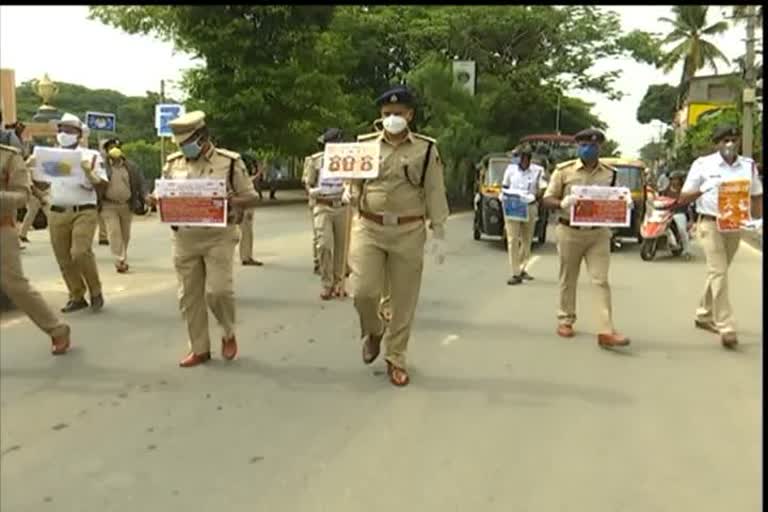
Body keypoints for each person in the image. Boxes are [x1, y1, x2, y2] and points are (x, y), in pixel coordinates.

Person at [344, 85, 449, 387]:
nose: (392, 118)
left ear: (410, 115)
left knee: (403, 300)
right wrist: (349, 193)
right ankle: (375, 330)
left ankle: (396, 357)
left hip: (409, 230)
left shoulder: (426, 149)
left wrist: (438, 230)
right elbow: (355, 185)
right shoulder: (364, 146)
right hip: (369, 226)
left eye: (398, 114)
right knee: (363, 292)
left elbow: (434, 189)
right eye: (387, 114)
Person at [150, 111, 259, 367]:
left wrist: (226, 200)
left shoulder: (229, 162)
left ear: (203, 137)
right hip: (184, 237)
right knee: (189, 296)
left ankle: (228, 331)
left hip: (218, 237)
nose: (184, 148)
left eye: (188, 142)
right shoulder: (173, 163)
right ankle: (199, 348)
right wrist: (155, 199)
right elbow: (159, 192)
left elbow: (252, 196)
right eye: (180, 144)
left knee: (218, 291)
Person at [675, 124, 763, 349]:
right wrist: (705, 188)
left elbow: (756, 195)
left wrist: (757, 219)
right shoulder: (703, 164)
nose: (730, 144)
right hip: (710, 223)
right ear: (717, 144)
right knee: (719, 272)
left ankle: (704, 314)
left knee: (719, 272)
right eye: (725, 140)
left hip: (734, 224)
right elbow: (684, 198)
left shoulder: (748, 166)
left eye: (733, 139)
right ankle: (726, 324)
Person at [542, 128, 631, 348]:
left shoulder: (610, 173)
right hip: (569, 230)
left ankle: (605, 329)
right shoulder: (563, 171)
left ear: (600, 147)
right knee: (568, 277)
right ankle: (565, 319)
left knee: (600, 280)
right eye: (584, 145)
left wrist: (624, 203)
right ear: (577, 146)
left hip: (598, 233)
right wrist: (562, 203)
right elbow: (547, 198)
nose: (588, 148)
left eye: (593, 145)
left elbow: (613, 197)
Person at [28, 113, 107, 313]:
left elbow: (103, 185)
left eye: (69, 130)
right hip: (57, 210)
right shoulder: (49, 156)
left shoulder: (90, 155)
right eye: (61, 130)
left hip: (84, 210)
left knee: (80, 252)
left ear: (79, 134)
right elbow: (41, 183)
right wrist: (30, 169)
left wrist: (90, 173)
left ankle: (95, 291)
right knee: (63, 258)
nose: (64, 134)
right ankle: (77, 295)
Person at [1, 143, 72, 354]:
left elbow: (22, 196)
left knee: (15, 285)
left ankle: (57, 330)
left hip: (2, 229)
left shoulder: (9, 157)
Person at [304, 127, 347, 299]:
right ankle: (326, 283)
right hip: (322, 205)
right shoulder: (316, 160)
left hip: (343, 205)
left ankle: (339, 283)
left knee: (342, 248)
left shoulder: (349, 160)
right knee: (324, 244)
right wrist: (312, 191)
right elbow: (308, 182)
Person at [500, 143, 545, 285]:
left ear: (527, 158)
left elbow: (543, 188)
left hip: (529, 206)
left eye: (519, 156)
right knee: (512, 239)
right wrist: (503, 195)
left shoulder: (538, 171)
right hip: (513, 206)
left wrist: (535, 197)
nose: (517, 160)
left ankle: (522, 267)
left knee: (527, 239)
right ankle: (515, 272)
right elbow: (505, 186)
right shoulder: (510, 170)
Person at [100, 138, 145, 273]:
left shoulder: (130, 167)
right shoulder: (102, 167)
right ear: (106, 151)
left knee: (125, 235)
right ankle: (119, 260)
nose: (114, 150)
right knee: (114, 233)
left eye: (117, 147)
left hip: (126, 205)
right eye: (111, 148)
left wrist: (145, 196)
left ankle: (123, 257)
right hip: (109, 205)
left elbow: (140, 182)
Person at [659, 170, 693, 260]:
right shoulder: (666, 190)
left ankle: (687, 251)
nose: (674, 181)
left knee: (682, 229)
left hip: (679, 213)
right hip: (667, 213)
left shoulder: (684, 191)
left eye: (676, 179)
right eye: (672, 179)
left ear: (680, 180)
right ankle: (672, 243)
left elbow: (689, 206)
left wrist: (691, 220)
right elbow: (661, 199)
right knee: (660, 227)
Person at [238, 155, 263, 267]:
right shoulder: (244, 178)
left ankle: (246, 255)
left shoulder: (243, 176)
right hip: (246, 207)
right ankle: (246, 257)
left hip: (246, 206)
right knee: (246, 233)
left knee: (246, 233)